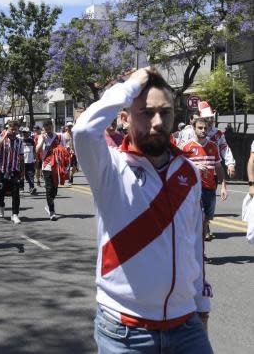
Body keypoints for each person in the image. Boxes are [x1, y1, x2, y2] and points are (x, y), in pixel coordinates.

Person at [74, 67, 213, 353]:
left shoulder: (188, 172)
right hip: (124, 331)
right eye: (146, 113)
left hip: (186, 325)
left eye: (166, 112)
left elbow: (194, 243)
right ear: (124, 118)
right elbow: (85, 129)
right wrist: (129, 86)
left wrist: (202, 304)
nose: (158, 122)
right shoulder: (109, 167)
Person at [181, 117, 227, 243]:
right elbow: (178, 167)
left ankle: (200, 249)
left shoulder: (213, 146)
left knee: (206, 220)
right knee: (197, 220)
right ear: (194, 129)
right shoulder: (186, 147)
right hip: (193, 189)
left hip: (210, 188)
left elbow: (218, 167)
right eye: (200, 128)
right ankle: (192, 247)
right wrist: (194, 166)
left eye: (205, 128)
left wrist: (223, 186)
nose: (203, 130)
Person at [178, 101, 236, 179]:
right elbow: (180, 153)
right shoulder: (188, 132)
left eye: (212, 117)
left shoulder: (217, 133)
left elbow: (224, 148)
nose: (210, 120)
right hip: (192, 174)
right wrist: (193, 165)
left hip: (212, 173)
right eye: (207, 118)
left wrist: (230, 164)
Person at [0, 121, 25, 224]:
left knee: (16, 193)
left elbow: (21, 157)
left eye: (15, 129)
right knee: (0, 192)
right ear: (8, 129)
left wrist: (22, 171)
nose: (14, 131)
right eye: (12, 129)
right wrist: (4, 136)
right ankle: (1, 205)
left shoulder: (19, 142)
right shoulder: (1, 139)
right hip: (2, 170)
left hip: (14, 171)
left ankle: (15, 214)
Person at [35, 120, 68, 220]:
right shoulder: (42, 137)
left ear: (52, 126)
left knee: (55, 189)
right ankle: (52, 211)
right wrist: (42, 141)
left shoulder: (59, 136)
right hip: (47, 165)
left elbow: (64, 148)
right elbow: (37, 150)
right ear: (44, 128)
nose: (48, 129)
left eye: (49, 127)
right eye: (46, 127)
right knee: (49, 188)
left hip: (57, 166)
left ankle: (48, 205)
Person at [21, 128, 37, 194]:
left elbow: (34, 150)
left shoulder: (32, 140)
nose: (25, 134)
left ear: (29, 133)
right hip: (22, 161)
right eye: (24, 132)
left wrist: (35, 158)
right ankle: (21, 187)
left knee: (31, 175)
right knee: (22, 174)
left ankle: (31, 188)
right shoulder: (20, 140)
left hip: (30, 161)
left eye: (26, 132)